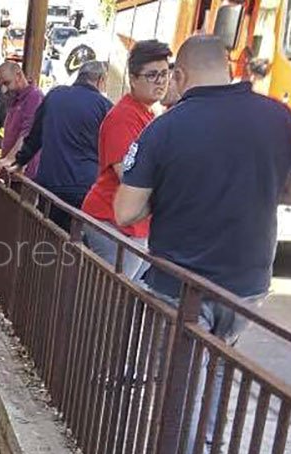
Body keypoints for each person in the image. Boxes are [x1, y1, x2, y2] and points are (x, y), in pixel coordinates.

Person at [115, 34, 291, 454]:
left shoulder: (166, 129)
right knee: (215, 374)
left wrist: (171, 193)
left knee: (184, 386)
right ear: (228, 65)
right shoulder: (281, 118)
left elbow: (125, 210)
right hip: (248, 285)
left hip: (181, 282)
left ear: (179, 75)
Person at [81, 39, 172, 280]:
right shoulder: (124, 117)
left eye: (165, 73)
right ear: (133, 78)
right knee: (113, 302)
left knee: (127, 299)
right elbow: (131, 178)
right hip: (114, 224)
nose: (161, 81)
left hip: (134, 226)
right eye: (152, 75)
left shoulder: (146, 114)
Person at [14, 60, 112, 231]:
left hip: (50, 184)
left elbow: (35, 136)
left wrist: (20, 161)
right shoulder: (104, 106)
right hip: (84, 187)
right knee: (74, 242)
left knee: (47, 234)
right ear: (100, 80)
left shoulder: (54, 96)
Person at [0, 61, 44, 178]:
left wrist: (10, 158)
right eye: (1, 85)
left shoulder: (34, 96)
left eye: (7, 83)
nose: (4, 89)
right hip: (11, 170)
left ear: (18, 75)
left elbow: (28, 133)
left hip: (24, 172)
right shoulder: (14, 100)